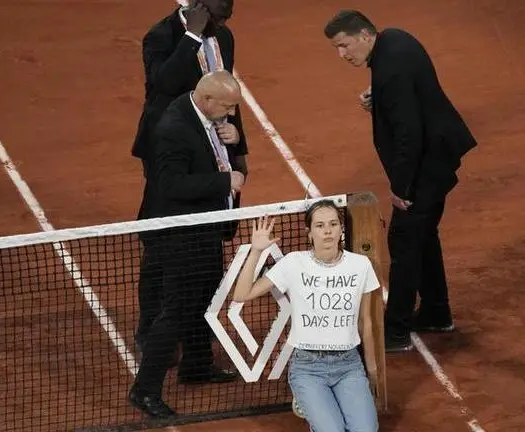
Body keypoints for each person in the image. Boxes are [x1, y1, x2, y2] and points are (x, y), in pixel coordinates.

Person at [322, 10, 477, 352]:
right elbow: (408, 86)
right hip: (437, 155)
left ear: (365, 35)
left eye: (344, 45)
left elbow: (409, 135)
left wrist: (402, 188)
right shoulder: (394, 40)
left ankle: (396, 332)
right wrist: (378, 95)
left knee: (404, 241)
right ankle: (436, 312)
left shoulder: (389, 70)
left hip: (425, 165)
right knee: (423, 234)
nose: (342, 54)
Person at [131, 0, 249, 355]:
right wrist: (192, 37)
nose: (222, 23)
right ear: (198, 7)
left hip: (213, 143)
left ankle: (196, 329)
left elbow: (227, 94)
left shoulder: (224, 36)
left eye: (227, 16)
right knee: (163, 241)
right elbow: (164, 83)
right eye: (217, 15)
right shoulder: (161, 36)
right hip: (169, 148)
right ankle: (150, 330)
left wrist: (238, 145)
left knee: (208, 234)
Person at [128, 71, 246, 418]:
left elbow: (215, 152)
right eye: (227, 107)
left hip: (205, 229)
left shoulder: (204, 114)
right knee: (177, 310)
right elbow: (171, 185)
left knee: (205, 299)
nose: (231, 114)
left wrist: (235, 138)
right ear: (206, 100)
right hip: (180, 235)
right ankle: (144, 390)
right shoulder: (173, 129)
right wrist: (225, 181)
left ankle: (197, 365)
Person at [231, 200, 380, 432]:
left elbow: (365, 322)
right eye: (320, 225)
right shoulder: (293, 263)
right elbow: (241, 294)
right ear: (309, 233)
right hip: (308, 368)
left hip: (349, 365)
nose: (327, 230)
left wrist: (371, 370)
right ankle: (310, 402)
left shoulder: (360, 265)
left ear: (341, 229)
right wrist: (256, 251)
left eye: (333, 224)